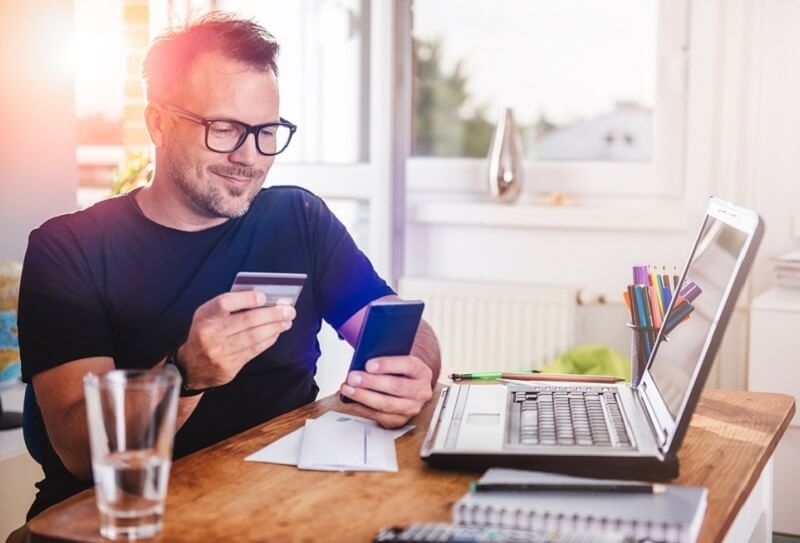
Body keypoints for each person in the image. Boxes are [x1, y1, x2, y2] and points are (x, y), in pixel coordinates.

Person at [17, 12, 440, 519]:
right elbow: (82, 453)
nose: (249, 156)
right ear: (158, 122)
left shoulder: (299, 218)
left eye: (266, 132)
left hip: (274, 503)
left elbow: (403, 326)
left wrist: (414, 372)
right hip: (117, 518)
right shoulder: (68, 249)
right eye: (223, 128)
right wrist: (185, 372)